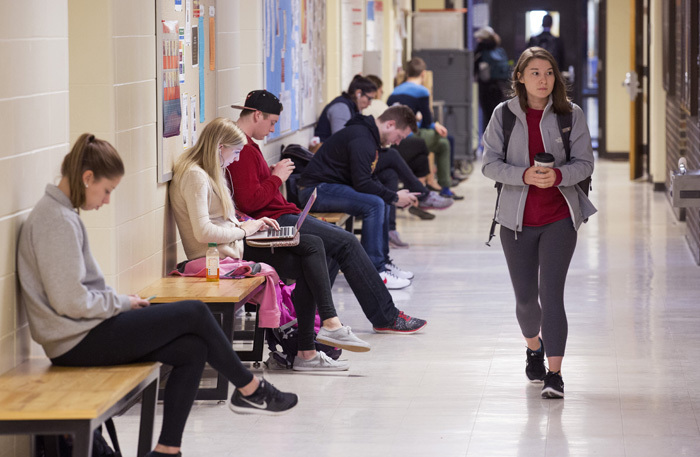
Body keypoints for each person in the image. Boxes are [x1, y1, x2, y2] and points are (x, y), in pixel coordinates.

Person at [17, 133, 298, 457]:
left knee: (192, 349)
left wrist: (123, 302)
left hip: (85, 330)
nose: (106, 201)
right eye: (106, 191)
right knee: (193, 312)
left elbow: (79, 292)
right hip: (75, 341)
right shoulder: (56, 220)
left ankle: (167, 450)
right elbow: (72, 302)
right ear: (87, 178)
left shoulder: (62, 214)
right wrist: (121, 303)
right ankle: (251, 388)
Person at [170, 117, 371, 372]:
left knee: (311, 248)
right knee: (310, 250)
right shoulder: (195, 176)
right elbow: (202, 232)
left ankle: (320, 337)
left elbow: (221, 219)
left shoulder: (208, 171)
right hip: (219, 256)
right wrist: (246, 229)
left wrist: (252, 223)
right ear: (220, 147)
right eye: (236, 151)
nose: (236, 158)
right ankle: (318, 339)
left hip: (234, 244)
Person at [227, 90, 427, 334]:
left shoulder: (247, 146)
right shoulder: (242, 148)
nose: (272, 130)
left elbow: (251, 191)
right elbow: (250, 202)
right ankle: (386, 316)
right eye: (272, 123)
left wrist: (268, 176)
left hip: (280, 216)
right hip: (274, 222)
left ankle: (313, 317)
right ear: (257, 115)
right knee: (346, 242)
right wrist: (276, 178)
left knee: (333, 249)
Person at [481, 47, 597, 399]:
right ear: (519, 77)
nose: (543, 79)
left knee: (552, 295)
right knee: (527, 301)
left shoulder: (570, 114)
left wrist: (558, 175)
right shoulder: (503, 115)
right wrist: (525, 175)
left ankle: (555, 374)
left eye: (549, 72)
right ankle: (534, 346)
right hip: (515, 222)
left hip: (559, 217)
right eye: (534, 72)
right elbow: (489, 165)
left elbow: (585, 163)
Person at [297, 105, 422, 285]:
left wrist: (392, 196)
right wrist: (395, 197)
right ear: (390, 125)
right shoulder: (362, 138)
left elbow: (369, 178)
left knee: (383, 200)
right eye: (399, 137)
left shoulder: (368, 136)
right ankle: (374, 272)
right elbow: (363, 183)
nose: (398, 142)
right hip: (315, 191)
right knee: (376, 204)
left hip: (328, 187)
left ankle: (383, 263)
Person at [317, 75, 453, 239]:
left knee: (391, 173)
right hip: (335, 170)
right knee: (393, 156)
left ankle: (390, 230)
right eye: (369, 98)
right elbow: (345, 142)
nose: (370, 103)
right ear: (358, 93)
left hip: (345, 164)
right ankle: (423, 194)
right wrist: (394, 196)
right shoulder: (341, 107)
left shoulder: (354, 109)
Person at [364, 74, 451, 229]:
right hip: (378, 152)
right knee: (430, 144)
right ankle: (428, 192)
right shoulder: (379, 105)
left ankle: (416, 200)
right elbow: (425, 122)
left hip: (381, 149)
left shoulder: (392, 94)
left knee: (419, 158)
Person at [387, 57, 463, 200]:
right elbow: (428, 122)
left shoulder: (394, 92)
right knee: (446, 141)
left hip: (394, 138)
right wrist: (436, 125)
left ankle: (440, 185)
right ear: (423, 74)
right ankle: (446, 186)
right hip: (410, 137)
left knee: (441, 144)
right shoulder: (422, 91)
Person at [474, 26, 511, 134]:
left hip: (487, 88)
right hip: (501, 88)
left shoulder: (481, 52)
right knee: (499, 116)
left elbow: (475, 70)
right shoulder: (500, 51)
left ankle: (488, 143)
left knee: (488, 116)